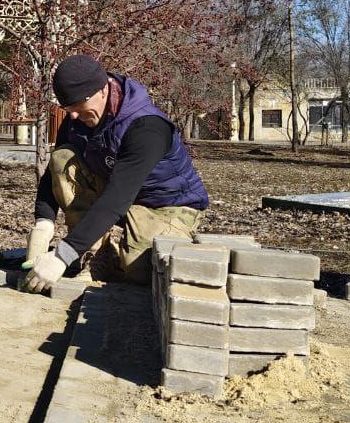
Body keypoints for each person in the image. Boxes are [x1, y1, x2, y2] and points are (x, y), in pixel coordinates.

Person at [20, 55, 210, 293]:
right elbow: (53, 171)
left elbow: (116, 198)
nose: (73, 116)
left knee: (141, 270)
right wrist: (44, 221)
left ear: (102, 90)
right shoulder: (77, 119)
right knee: (63, 157)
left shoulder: (147, 128)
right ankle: (97, 257)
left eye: (78, 106)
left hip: (166, 203)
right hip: (117, 194)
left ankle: (131, 251)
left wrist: (62, 255)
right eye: (67, 108)